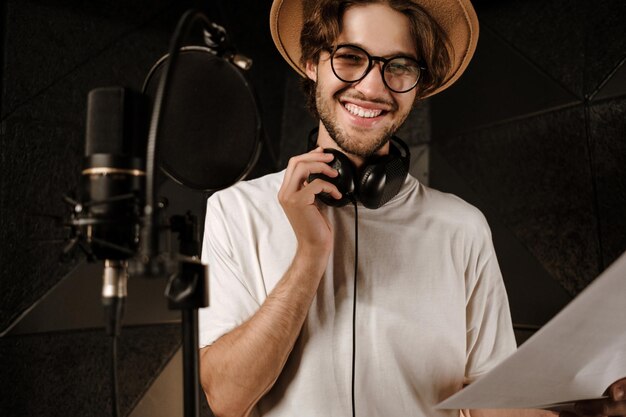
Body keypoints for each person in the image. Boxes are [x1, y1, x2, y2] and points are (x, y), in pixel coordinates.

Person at [197, 1, 626, 416]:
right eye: (350, 57)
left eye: (399, 66)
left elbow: (485, 404)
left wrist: (584, 413)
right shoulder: (236, 212)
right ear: (312, 63)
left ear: (417, 85)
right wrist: (310, 255)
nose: (372, 87)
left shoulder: (461, 227)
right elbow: (227, 399)